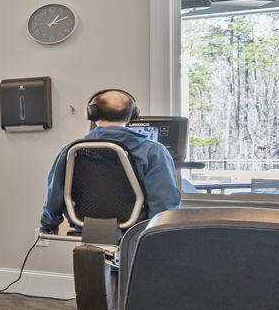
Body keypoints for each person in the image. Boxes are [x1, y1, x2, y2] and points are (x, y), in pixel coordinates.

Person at [39, 88, 182, 233]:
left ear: (92, 113)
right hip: (133, 234)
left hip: (87, 230)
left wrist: (48, 226)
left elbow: (54, 194)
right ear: (132, 114)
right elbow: (163, 204)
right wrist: (155, 236)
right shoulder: (154, 151)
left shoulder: (72, 150)